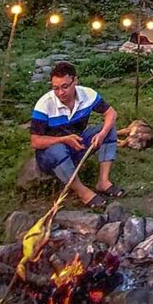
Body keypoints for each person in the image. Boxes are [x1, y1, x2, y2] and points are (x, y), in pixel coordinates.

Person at [30, 61, 124, 209]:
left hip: (78, 144)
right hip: (51, 154)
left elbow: (111, 113)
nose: (61, 93)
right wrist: (64, 139)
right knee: (58, 150)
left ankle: (103, 182)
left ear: (75, 81)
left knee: (108, 129)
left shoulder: (88, 95)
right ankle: (83, 192)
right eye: (56, 88)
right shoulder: (44, 105)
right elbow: (35, 141)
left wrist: (102, 134)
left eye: (65, 86)